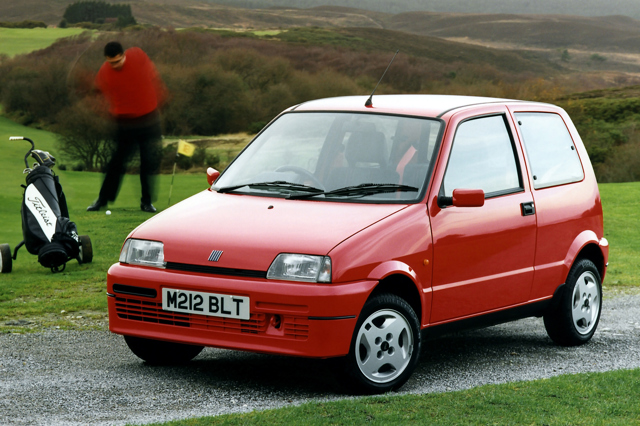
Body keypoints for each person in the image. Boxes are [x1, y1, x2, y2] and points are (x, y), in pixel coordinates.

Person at [87, 41, 167, 213]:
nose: (114, 65)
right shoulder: (104, 72)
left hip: (148, 119)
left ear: (123, 55)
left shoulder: (137, 55)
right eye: (111, 62)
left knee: (148, 162)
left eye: (117, 61)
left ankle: (147, 202)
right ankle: (102, 200)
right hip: (124, 123)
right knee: (115, 163)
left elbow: (154, 78)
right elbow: (100, 95)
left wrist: (159, 98)